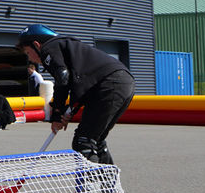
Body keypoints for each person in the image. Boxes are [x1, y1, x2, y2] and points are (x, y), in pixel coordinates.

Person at [16, 23, 135, 164]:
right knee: (95, 140)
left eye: (28, 53)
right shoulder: (67, 48)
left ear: (37, 45)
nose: (30, 59)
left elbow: (63, 77)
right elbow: (81, 86)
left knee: (83, 141)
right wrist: (68, 112)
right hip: (123, 82)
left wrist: (57, 113)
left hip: (109, 83)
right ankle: (108, 184)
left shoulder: (49, 47)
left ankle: (90, 185)